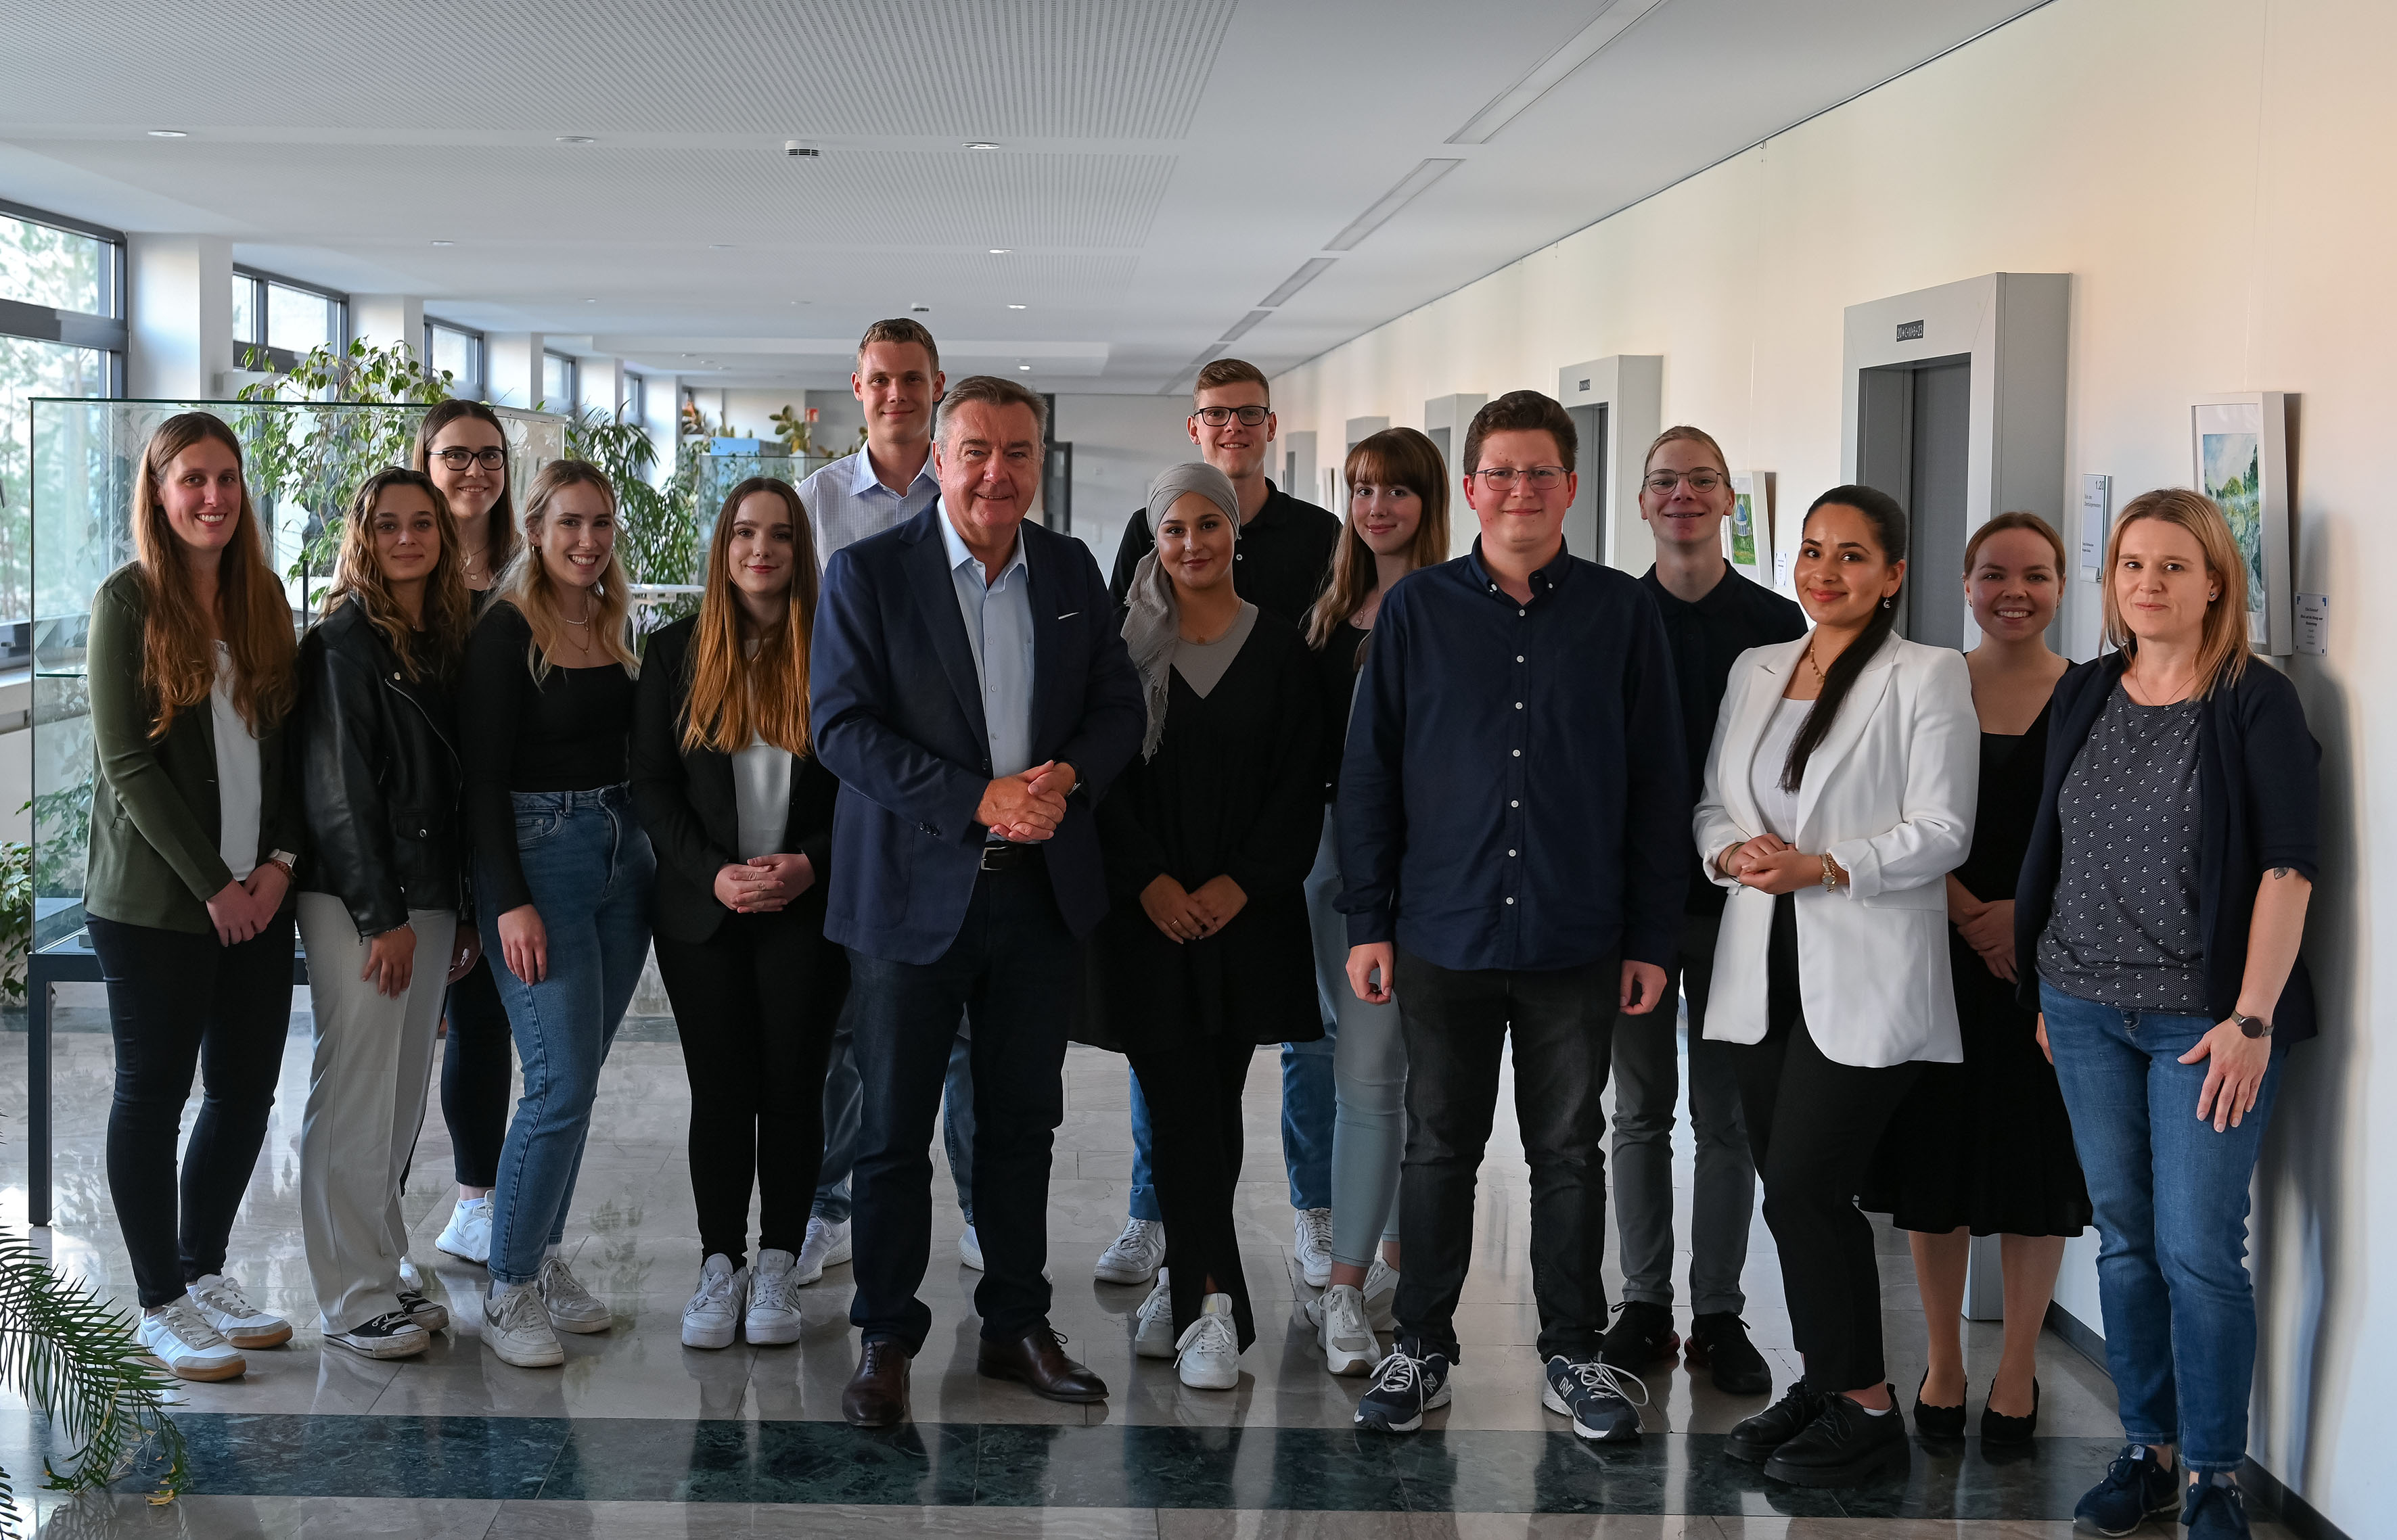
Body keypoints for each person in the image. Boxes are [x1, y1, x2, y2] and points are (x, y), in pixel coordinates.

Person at [1342, 390, 1686, 1443]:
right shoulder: (1416, 611)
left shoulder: (1621, 614)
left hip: (1573, 935)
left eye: (1539, 472)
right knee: (1437, 1146)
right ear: (1471, 487)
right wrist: (1367, 920)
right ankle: (1420, 1346)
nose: (1519, 490)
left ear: (1571, 487)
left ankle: (1572, 1353)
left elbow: (1656, 784)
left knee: (1568, 1151)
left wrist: (1650, 936)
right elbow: (1370, 774)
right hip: (1439, 930)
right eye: (1499, 472)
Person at [811, 375, 1144, 1428]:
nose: (997, 472)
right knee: (892, 1130)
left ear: (1036, 461)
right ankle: (885, 1333)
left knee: (1019, 1124)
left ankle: (1014, 1322)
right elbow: (841, 727)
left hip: (1037, 897)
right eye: (976, 452)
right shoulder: (869, 573)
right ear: (940, 461)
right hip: (908, 897)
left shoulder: (1070, 568)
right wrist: (977, 798)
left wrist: (1064, 781)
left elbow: (1117, 707)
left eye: (1017, 452)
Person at [2018, 490, 2317, 1540]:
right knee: (2123, 1243)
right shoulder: (2085, 688)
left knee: (2196, 1249)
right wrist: (2043, 992)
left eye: (2172, 566)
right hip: (2080, 1007)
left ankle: (2212, 1476)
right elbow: (2056, 843)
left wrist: (2251, 1017)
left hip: (2202, 1023)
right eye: (2131, 565)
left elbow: (2287, 867)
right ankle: (2142, 1451)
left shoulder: (2253, 701)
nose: (2147, 583)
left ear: (2214, 583)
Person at [1698, 485, 1978, 1488]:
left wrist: (1824, 866)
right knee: (1788, 1195)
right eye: (1813, 550)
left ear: (1893, 574)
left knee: (1810, 1187)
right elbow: (1713, 802)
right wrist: (1730, 854)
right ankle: (1827, 1384)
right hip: (1759, 968)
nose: (1825, 571)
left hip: (1864, 970)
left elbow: (1944, 830)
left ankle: (1865, 1406)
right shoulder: (1756, 667)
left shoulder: (1926, 675)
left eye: (1852, 555)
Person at [1099, 356, 1342, 1292]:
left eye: (1209, 526)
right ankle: (1187, 1274)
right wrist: (1150, 883)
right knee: (1170, 1096)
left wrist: (1241, 882)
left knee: (1220, 1097)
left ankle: (1203, 1291)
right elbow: (1102, 779)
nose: (1191, 542)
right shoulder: (1121, 653)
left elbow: (1298, 777)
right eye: (1174, 528)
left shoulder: (1281, 642)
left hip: (1248, 902)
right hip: (1149, 907)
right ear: (1151, 539)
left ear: (1235, 536)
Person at [1859, 511, 2089, 1441]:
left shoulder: (2091, 695)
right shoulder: (1924, 684)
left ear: (2061, 587)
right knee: (1936, 1163)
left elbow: (2099, 833)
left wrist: (2019, 920)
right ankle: (1945, 1361)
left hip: (2047, 963)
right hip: (1934, 952)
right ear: (1964, 585)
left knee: (2036, 1167)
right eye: (1993, 574)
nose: (2013, 592)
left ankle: (2018, 1368)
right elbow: (1885, 812)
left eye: (2034, 575)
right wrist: (1968, 913)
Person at [85, 411, 302, 1381]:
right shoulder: (126, 601)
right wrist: (215, 885)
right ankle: (158, 1303)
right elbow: (128, 764)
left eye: (226, 478)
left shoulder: (264, 597)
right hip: (157, 909)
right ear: (160, 492)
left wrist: (277, 866)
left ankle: (203, 1269)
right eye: (192, 480)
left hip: (260, 895)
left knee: (246, 1092)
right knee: (153, 1095)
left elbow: (291, 748)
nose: (213, 497)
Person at [1604, 426, 1802, 1396]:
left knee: (1726, 1120)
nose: (1681, 495)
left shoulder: (1776, 625)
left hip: (1740, 910)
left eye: (1700, 481)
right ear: (1642, 501)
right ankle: (1644, 1304)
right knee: (1639, 1113)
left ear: (1728, 499)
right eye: (1663, 482)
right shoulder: (1610, 615)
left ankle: (1718, 1313)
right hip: (1634, 910)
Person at [633, 477, 848, 1352]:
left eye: (781, 535)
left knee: (793, 1091)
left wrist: (811, 864)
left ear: (801, 551)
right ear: (723, 549)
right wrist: (714, 874)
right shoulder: (673, 652)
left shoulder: (837, 649)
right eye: (745, 534)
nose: (762, 550)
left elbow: (866, 784)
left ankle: (779, 1262)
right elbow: (652, 786)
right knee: (721, 1094)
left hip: (807, 909)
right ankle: (719, 1261)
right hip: (705, 915)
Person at [457, 459, 656, 1369]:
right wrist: (508, 902)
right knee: (559, 1080)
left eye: (601, 523)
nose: (587, 541)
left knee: (581, 1078)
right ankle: (507, 1289)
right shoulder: (505, 631)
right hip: (542, 858)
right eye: (569, 523)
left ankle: (537, 1258)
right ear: (534, 530)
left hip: (624, 858)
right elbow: (480, 783)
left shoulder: (614, 621)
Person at [794, 319, 976, 1286]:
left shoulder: (967, 489)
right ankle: (830, 1206)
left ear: (937, 385)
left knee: (964, 1022)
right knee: (845, 1024)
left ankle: (982, 1209)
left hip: (963, 792)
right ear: (856, 388)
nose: (897, 394)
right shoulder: (816, 504)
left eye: (912, 379)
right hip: (850, 784)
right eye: (880, 380)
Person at [294, 467, 482, 1359]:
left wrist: (459, 908)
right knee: (355, 1091)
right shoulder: (342, 642)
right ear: (362, 538)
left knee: (400, 1101)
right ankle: (349, 1296)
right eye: (388, 525)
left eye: (423, 523)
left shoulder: (441, 640)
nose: (407, 539)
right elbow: (337, 793)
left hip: (429, 894)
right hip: (361, 899)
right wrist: (381, 916)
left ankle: (384, 1265)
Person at [1298, 427, 1448, 1375]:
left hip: (1416, 869)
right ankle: (1363, 1272)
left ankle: (1368, 1277)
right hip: (1325, 864)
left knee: (1389, 1073)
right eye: (1360, 489)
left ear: (1430, 500)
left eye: (1395, 490)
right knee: (1357, 1064)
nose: (1376, 507)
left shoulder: (1448, 608)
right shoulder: (1327, 611)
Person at [413, 398, 520, 1267]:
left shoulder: (527, 575)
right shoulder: (401, 572)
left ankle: (475, 1201)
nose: (474, 471)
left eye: (489, 456)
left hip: (506, 826)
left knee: (483, 1021)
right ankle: (375, 1223)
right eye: (456, 455)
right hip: (419, 834)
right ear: (425, 462)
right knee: (406, 1034)